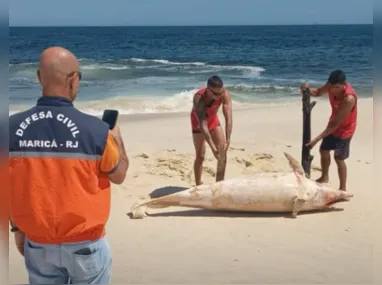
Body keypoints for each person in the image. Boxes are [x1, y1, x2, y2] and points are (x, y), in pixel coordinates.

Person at [9, 46, 129, 284]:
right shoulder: (96, 132)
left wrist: (18, 229)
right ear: (73, 81)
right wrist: (116, 137)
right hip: (85, 243)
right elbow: (120, 173)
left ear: (38, 77)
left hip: (38, 242)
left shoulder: (8, 129)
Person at [301, 70, 357, 191]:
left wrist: (316, 139)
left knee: (339, 158)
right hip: (332, 125)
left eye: (336, 87)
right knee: (324, 150)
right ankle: (324, 177)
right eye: (331, 86)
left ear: (343, 85)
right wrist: (307, 90)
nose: (332, 90)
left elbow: (335, 124)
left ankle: (343, 189)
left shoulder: (349, 98)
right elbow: (319, 92)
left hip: (345, 130)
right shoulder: (331, 86)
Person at [190, 75, 233, 185]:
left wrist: (228, 138)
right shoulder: (198, 98)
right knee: (200, 156)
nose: (219, 96)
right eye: (216, 94)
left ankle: (219, 183)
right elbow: (203, 123)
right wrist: (212, 147)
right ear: (208, 90)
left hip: (213, 120)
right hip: (198, 124)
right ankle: (198, 185)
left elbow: (228, 117)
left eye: (220, 92)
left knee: (222, 150)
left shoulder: (224, 94)